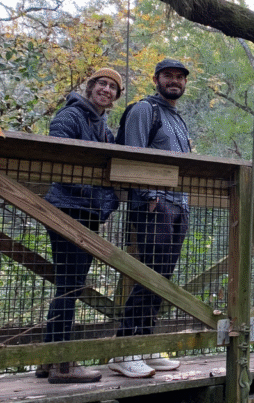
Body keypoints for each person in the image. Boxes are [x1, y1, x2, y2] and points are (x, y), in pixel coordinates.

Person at [37, 67, 123, 383]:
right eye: (102, 83)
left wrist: (106, 204)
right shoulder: (71, 115)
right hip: (67, 208)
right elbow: (57, 156)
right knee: (70, 285)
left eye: (113, 87)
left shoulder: (103, 128)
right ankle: (63, 365)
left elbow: (111, 173)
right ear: (90, 87)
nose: (106, 89)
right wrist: (93, 195)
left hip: (86, 212)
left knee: (68, 285)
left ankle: (49, 360)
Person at [108, 59, 192, 378]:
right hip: (154, 205)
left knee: (162, 278)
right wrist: (150, 197)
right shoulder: (145, 109)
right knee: (149, 275)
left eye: (179, 77)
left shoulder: (177, 118)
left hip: (178, 205)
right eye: (168, 76)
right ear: (156, 79)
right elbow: (134, 153)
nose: (174, 81)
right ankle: (124, 349)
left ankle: (144, 344)